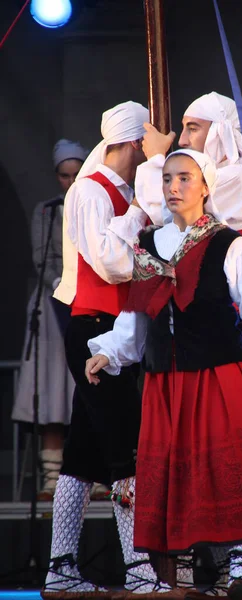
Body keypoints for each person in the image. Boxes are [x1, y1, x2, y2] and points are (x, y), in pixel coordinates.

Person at [85, 149, 242, 600]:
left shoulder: (225, 242)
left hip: (220, 375)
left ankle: (240, 565)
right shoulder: (148, 243)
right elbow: (139, 313)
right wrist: (110, 351)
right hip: (168, 382)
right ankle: (180, 577)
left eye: (185, 178)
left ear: (205, 187)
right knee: (180, 474)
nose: (174, 187)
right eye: (167, 179)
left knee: (229, 467)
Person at [41, 101, 151, 599]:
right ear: (132, 142)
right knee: (124, 446)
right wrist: (141, 218)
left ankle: (61, 568)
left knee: (84, 453)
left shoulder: (124, 191)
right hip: (93, 328)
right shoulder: (89, 190)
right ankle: (142, 568)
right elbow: (108, 263)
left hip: (118, 326)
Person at [11, 139, 97, 502]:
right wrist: (61, 283)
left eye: (77, 174)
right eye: (64, 175)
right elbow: (40, 256)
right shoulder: (46, 211)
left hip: (90, 302)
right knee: (52, 389)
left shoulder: (96, 203)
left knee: (90, 387)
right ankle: (52, 479)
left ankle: (97, 474)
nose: (71, 181)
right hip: (52, 305)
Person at [135, 91, 242, 254]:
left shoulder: (239, 177)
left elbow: (169, 215)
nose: (182, 140)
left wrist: (155, 157)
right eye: (184, 129)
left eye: (192, 129)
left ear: (219, 132)